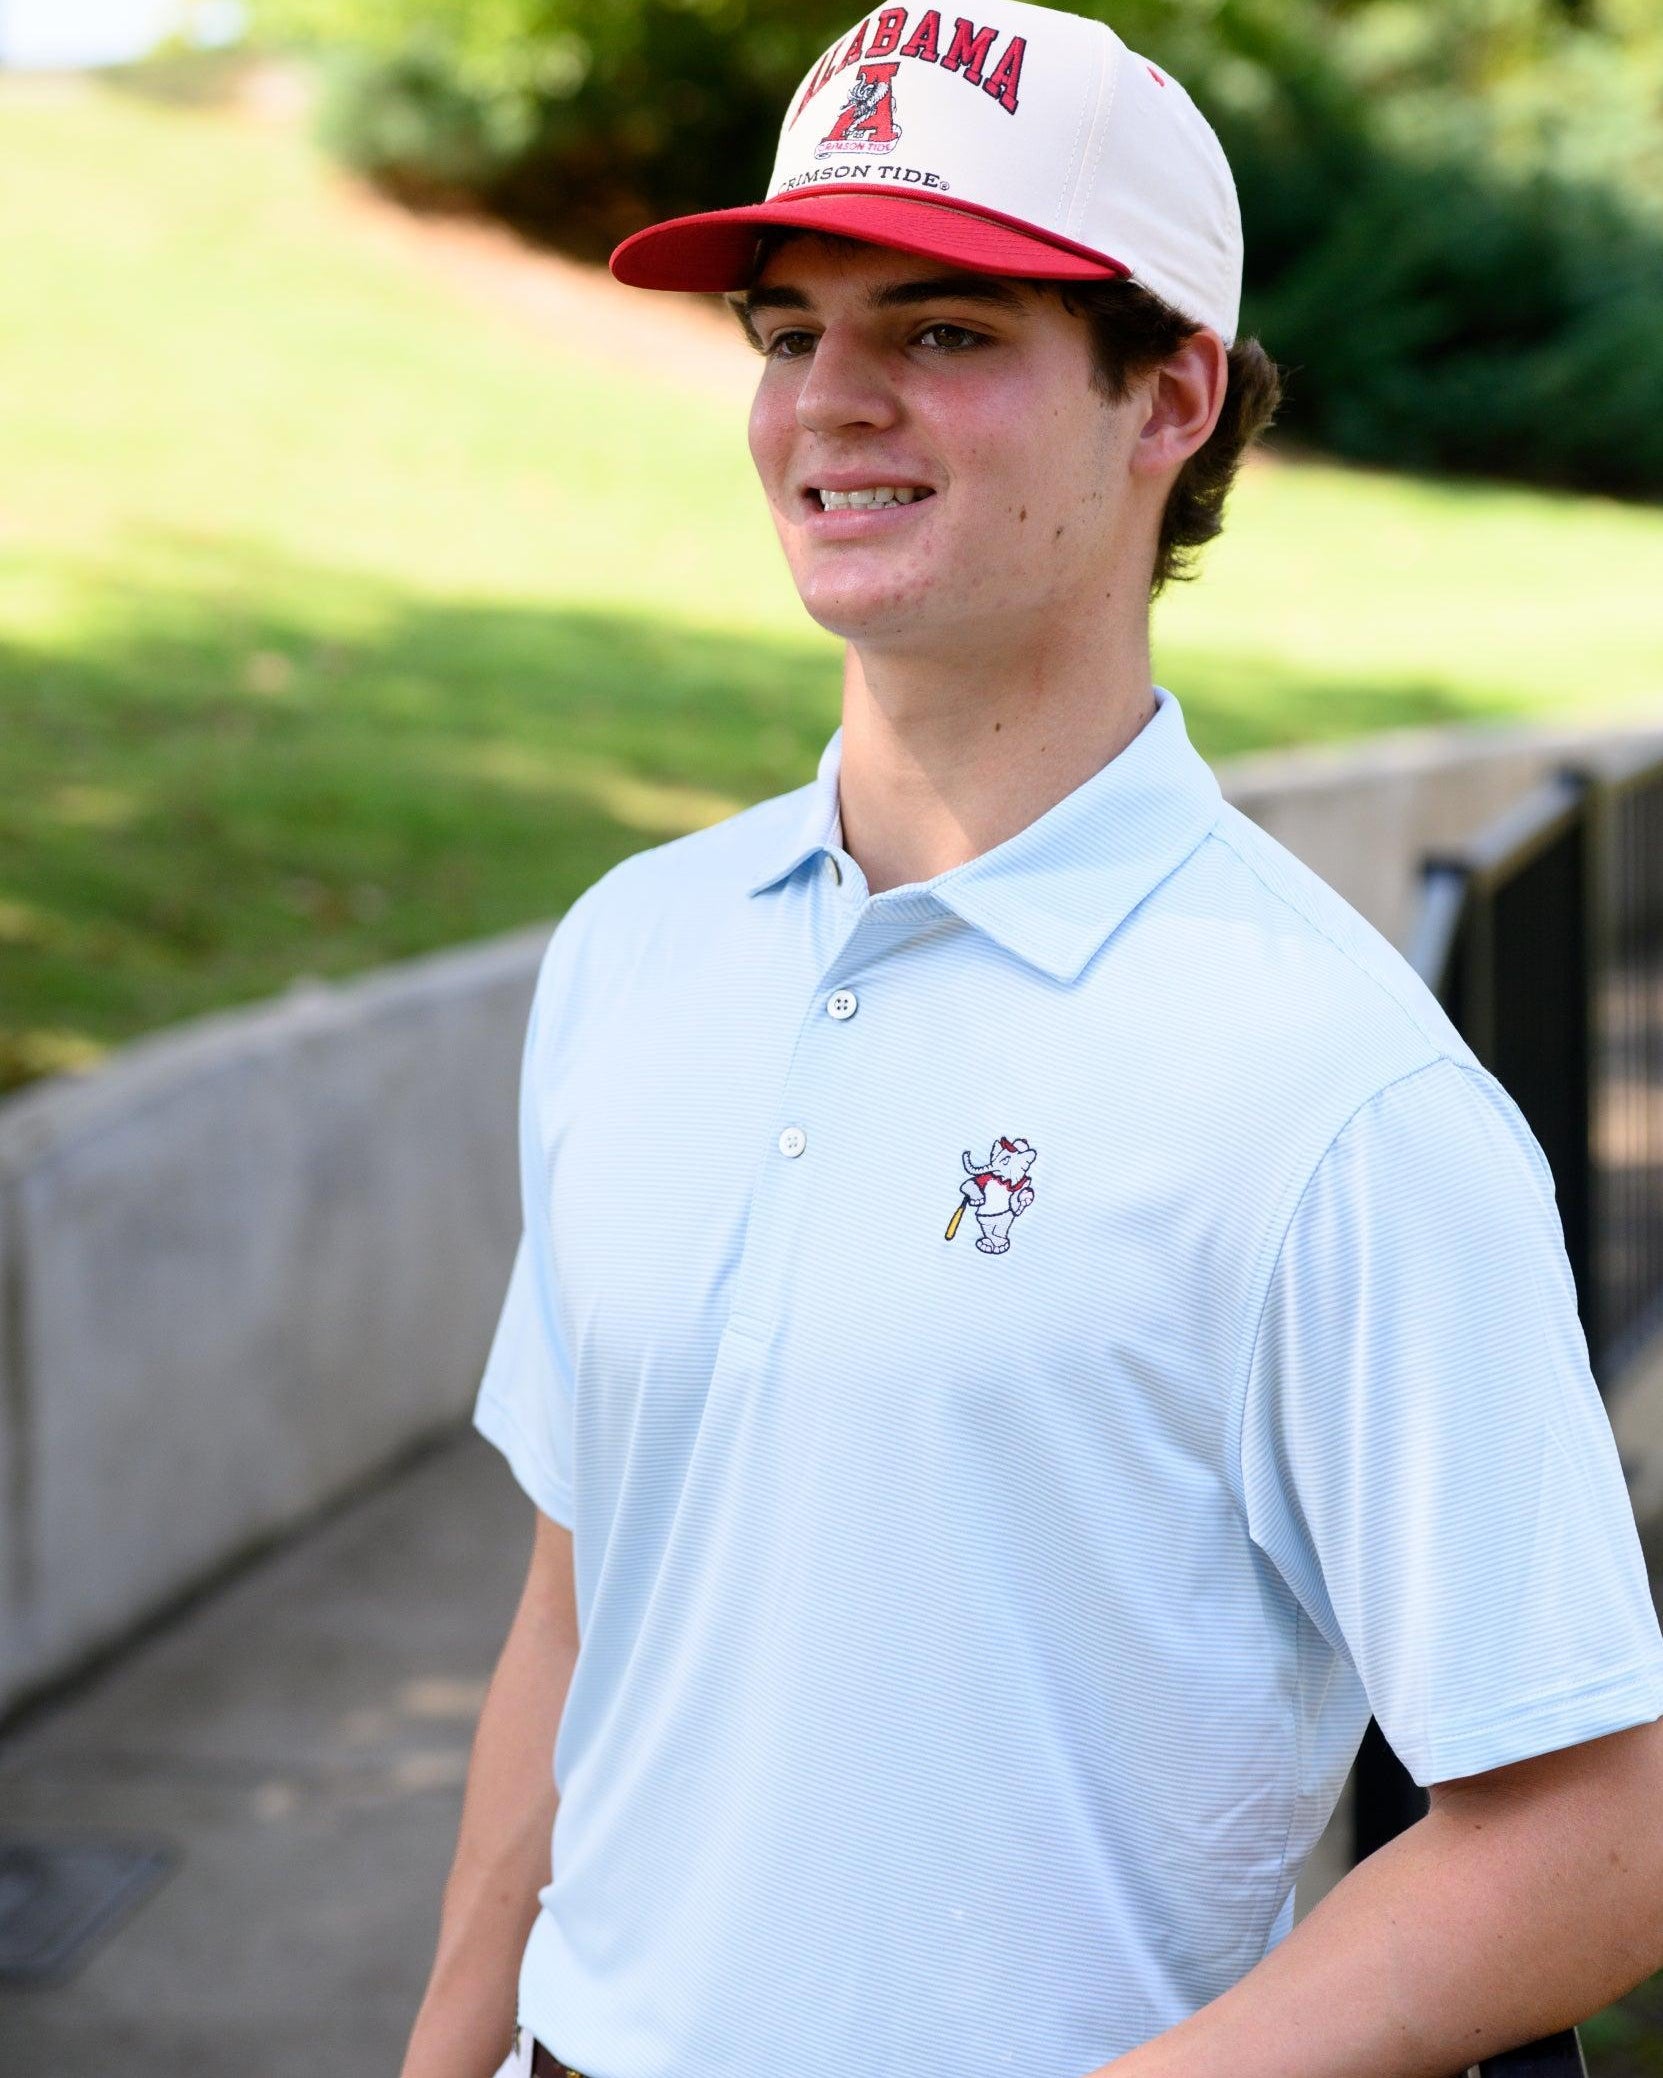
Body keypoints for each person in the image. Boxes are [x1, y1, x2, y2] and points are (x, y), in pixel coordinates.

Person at [400, 5, 1663, 2076]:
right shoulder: (636, 951)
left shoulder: (1336, 1093)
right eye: (788, 329)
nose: (831, 399)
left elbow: (1595, 1836)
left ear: (1168, 395)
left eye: (944, 330)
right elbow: (583, 1601)